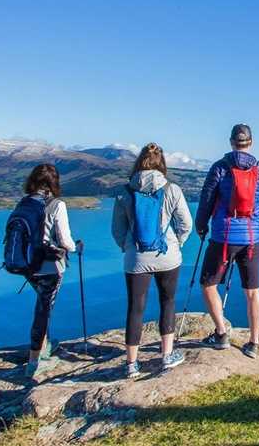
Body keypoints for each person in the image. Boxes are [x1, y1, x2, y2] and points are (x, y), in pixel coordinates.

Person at [111, 142, 193, 378]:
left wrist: (128, 248)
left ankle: (131, 364)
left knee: (135, 308)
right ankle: (167, 356)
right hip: (167, 257)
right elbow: (185, 224)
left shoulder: (124, 191)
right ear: (162, 164)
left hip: (136, 258)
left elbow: (117, 229)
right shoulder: (172, 189)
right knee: (168, 302)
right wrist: (177, 243)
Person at [195, 123, 259, 358]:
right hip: (252, 240)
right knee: (253, 291)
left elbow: (206, 200)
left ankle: (221, 334)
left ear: (231, 142)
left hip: (223, 237)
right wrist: (256, 226)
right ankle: (254, 342)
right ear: (250, 142)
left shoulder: (219, 168)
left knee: (209, 285)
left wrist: (201, 226)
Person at [21, 163, 81, 377]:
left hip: (27, 264)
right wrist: (75, 247)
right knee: (44, 309)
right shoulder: (56, 204)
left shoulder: (25, 202)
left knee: (41, 304)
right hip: (49, 264)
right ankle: (35, 360)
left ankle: (43, 346)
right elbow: (65, 240)